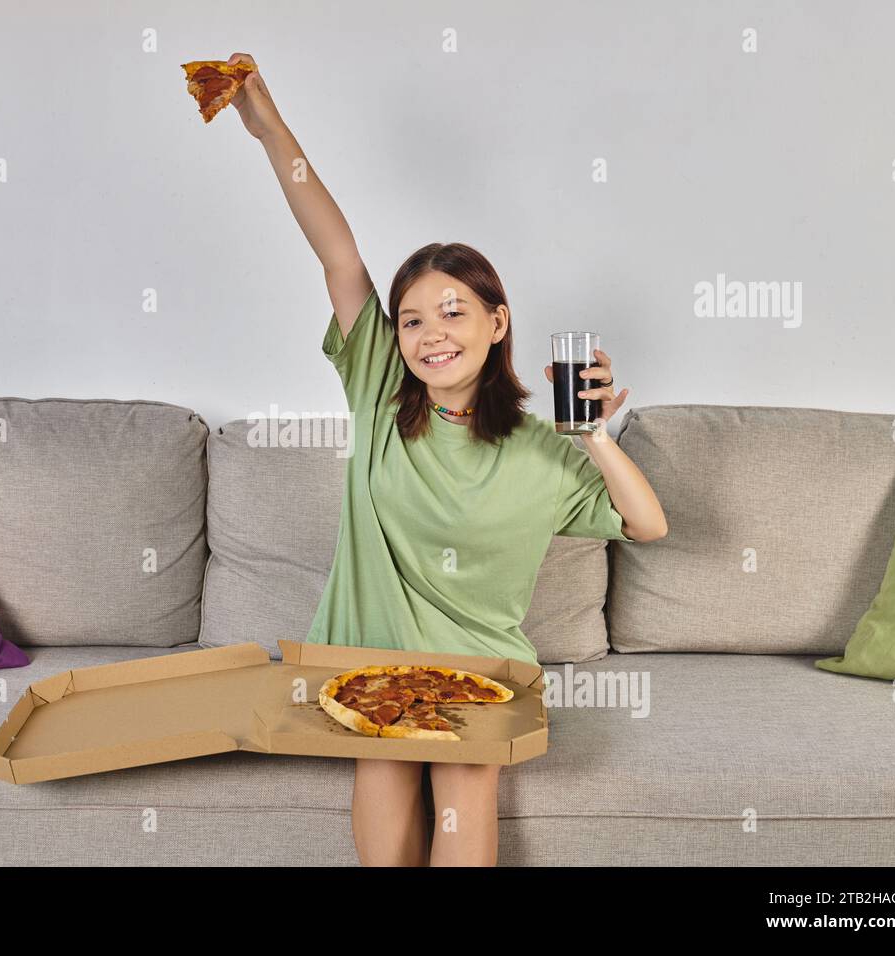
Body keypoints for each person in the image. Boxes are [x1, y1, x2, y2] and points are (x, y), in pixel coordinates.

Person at [225, 52, 669, 866]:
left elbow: (647, 525)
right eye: (412, 319)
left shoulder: (545, 447)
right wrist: (267, 126)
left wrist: (597, 435)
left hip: (484, 672)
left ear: (498, 324)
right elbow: (338, 256)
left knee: (467, 783)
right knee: (385, 770)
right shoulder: (378, 388)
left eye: (454, 312)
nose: (431, 333)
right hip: (368, 664)